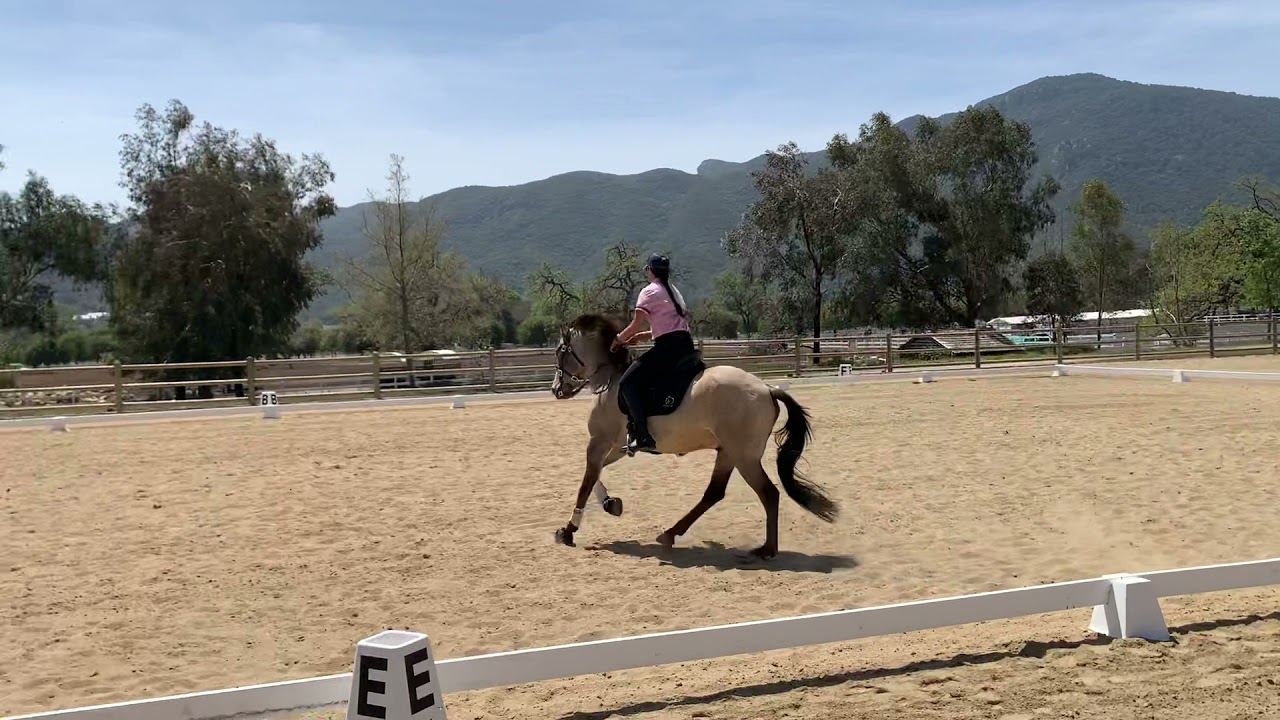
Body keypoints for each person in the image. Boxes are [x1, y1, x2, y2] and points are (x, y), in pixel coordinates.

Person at [611, 254, 695, 454]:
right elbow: (674, 327)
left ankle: (643, 435)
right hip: (686, 346)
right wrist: (642, 336)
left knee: (627, 383)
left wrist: (619, 339)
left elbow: (635, 323)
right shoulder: (674, 292)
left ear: (650, 270)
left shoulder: (648, 292)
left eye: (646, 270)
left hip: (667, 349)